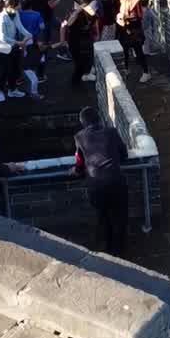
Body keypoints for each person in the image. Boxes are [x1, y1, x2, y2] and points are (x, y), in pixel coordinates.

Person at [72, 107, 130, 255]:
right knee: (119, 216)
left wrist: (75, 171)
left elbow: (79, 164)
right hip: (116, 182)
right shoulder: (112, 132)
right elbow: (124, 154)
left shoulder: (79, 137)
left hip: (96, 185)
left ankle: (107, 249)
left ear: (83, 123)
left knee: (102, 217)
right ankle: (120, 250)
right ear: (99, 119)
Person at [0, 0, 31, 102]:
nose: (20, 7)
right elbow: (2, 37)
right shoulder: (1, 17)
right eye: (18, 5)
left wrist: (29, 35)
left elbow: (20, 27)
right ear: (11, 6)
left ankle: (12, 90)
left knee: (15, 69)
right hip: (3, 49)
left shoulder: (15, 14)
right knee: (4, 71)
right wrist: (18, 42)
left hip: (14, 47)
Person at [114, 0, 149, 82]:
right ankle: (126, 68)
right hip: (124, 31)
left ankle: (146, 72)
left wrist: (124, 18)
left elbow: (138, 17)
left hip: (134, 31)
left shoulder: (134, 1)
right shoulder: (120, 1)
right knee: (124, 50)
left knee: (138, 52)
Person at [63, 0, 97, 86]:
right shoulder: (72, 12)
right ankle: (77, 80)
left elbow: (93, 21)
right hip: (75, 41)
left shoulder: (86, 12)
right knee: (79, 62)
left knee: (87, 58)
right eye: (84, 5)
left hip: (85, 39)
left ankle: (86, 73)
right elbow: (68, 24)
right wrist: (77, 11)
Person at [18, 6, 48, 90]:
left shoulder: (19, 14)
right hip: (35, 40)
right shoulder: (37, 14)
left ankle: (20, 78)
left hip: (22, 40)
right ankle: (40, 76)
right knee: (41, 57)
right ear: (31, 6)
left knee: (22, 58)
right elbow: (42, 27)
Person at [141, 0, 162, 80]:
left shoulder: (145, 11)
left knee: (146, 53)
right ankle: (149, 71)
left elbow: (145, 25)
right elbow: (154, 21)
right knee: (146, 52)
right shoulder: (148, 11)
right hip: (147, 33)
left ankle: (148, 71)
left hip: (145, 33)